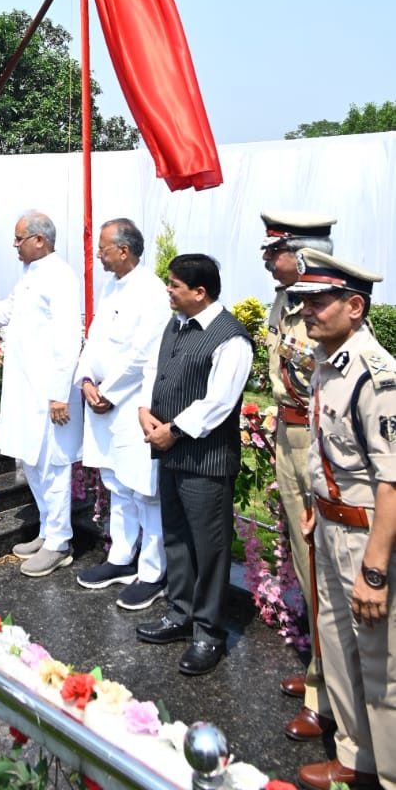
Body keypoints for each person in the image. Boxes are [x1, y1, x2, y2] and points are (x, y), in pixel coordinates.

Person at [285, 250, 396, 790]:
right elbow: (328, 450)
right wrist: (314, 504)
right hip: (330, 527)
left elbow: (391, 479)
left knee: (381, 665)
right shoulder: (328, 363)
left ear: (354, 306)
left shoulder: (377, 376)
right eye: (303, 301)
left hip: (365, 536)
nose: (307, 311)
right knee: (338, 645)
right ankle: (357, 759)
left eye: (319, 301)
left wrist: (375, 570)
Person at [136, 253, 252, 674]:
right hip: (170, 452)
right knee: (177, 539)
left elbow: (219, 401)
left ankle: (208, 632)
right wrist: (145, 411)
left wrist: (174, 430)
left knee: (210, 548)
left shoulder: (230, 338)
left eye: (174, 285)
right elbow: (157, 368)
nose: (168, 290)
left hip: (205, 460)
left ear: (199, 292)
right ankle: (178, 614)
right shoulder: (177, 323)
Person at [0, 212, 82, 577]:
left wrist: (60, 394)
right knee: (32, 459)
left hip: (50, 392)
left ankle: (60, 543)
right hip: (27, 387)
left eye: (19, 238)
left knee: (53, 463)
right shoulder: (31, 275)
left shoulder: (60, 277)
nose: (14, 245)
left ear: (39, 240)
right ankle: (47, 530)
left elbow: (69, 337)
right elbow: (11, 309)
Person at [260, 210, 337, 742]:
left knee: (323, 570)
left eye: (275, 251)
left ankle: (329, 697)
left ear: (302, 253)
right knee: (306, 562)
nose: (268, 261)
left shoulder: (331, 311)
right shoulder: (287, 302)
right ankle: (321, 676)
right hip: (289, 436)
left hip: (319, 442)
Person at [75, 218, 169, 610]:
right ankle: (120, 559)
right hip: (103, 404)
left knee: (143, 490)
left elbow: (144, 353)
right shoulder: (112, 286)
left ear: (124, 250)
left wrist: (109, 392)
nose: (98, 254)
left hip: (132, 405)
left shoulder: (151, 292)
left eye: (103, 247)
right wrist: (84, 380)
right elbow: (95, 340)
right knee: (115, 483)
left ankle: (152, 572)